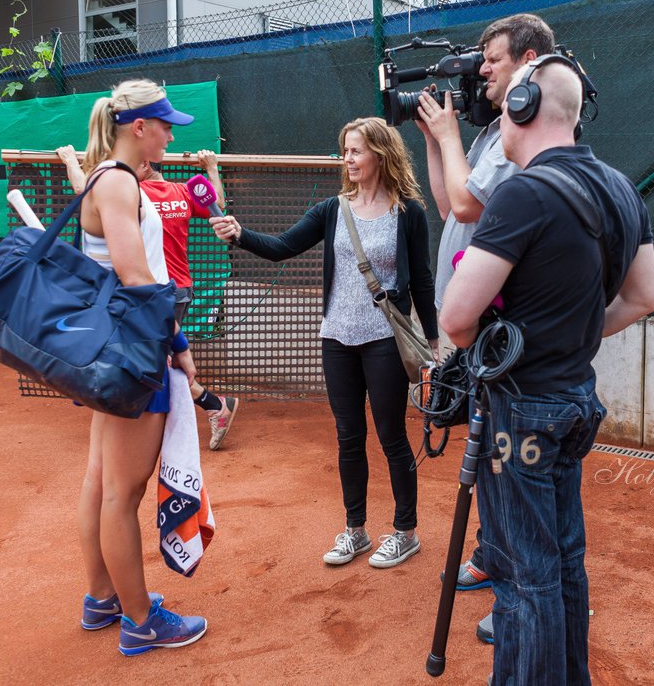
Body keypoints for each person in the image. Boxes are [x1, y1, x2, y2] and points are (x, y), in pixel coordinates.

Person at [439, 58, 654, 685]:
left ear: (524, 105)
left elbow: (457, 318)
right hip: (574, 401)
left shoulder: (523, 192)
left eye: (504, 98)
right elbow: (644, 297)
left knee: (524, 573)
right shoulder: (621, 188)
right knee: (564, 562)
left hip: (519, 412)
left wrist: (509, 345)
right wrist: (574, 334)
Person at [211, 117, 437, 568]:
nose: (348, 159)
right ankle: (355, 531)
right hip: (336, 337)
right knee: (348, 436)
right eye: (346, 151)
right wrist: (240, 234)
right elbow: (282, 247)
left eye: (356, 151)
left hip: (384, 340)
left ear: (380, 153)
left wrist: (431, 346)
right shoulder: (333, 209)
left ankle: (405, 531)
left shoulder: (408, 210)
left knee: (392, 437)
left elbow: (424, 281)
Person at [417, 13, 555, 605]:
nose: (483, 69)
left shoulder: (521, 133)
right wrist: (434, 140)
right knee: (487, 444)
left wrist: (449, 138)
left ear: (528, 61)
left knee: (506, 456)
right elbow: (451, 207)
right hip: (476, 321)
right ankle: (493, 553)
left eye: (492, 59)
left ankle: (520, 584)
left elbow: (472, 208)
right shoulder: (491, 132)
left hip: (503, 329)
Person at [73, 78, 208, 657]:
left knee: (101, 483)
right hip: (134, 352)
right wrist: (177, 343)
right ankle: (138, 621)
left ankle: (102, 597)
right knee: (120, 496)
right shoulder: (122, 184)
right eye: (165, 124)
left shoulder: (107, 179)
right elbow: (135, 276)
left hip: (111, 348)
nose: (171, 134)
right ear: (139, 128)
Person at [58, 145, 240, 450]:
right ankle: (210, 405)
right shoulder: (182, 192)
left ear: (143, 164)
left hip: (151, 293)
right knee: (160, 359)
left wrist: (68, 161)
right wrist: (211, 166)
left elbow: (82, 189)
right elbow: (217, 202)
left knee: (158, 363)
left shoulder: (134, 195)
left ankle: (212, 406)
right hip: (178, 290)